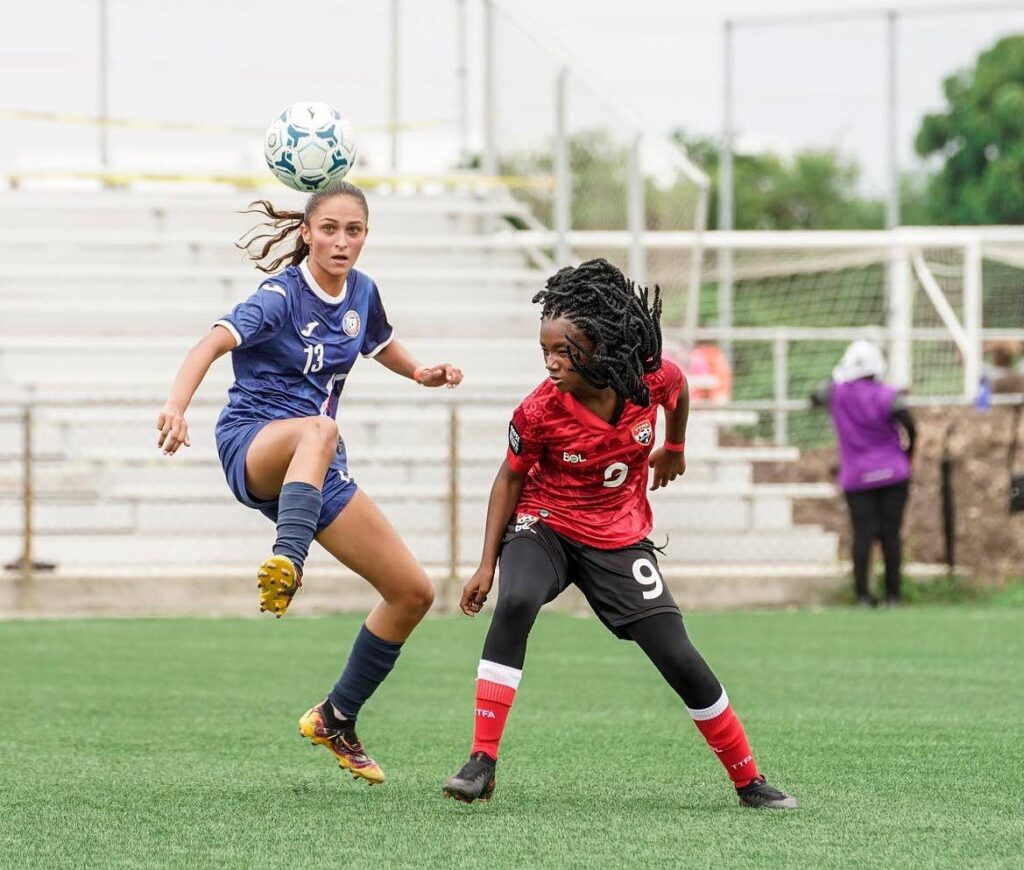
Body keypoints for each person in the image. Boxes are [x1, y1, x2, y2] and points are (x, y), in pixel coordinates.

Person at [440, 258, 797, 810]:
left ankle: (749, 780)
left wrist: (674, 448)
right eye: (545, 352)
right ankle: (481, 761)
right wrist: (487, 563)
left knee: (677, 654)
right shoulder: (537, 411)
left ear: (602, 348)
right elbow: (510, 477)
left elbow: (678, 395)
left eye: (564, 352)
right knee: (515, 601)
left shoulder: (653, 378)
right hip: (547, 524)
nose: (552, 364)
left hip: (619, 534)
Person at [156, 182, 463, 784]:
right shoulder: (280, 297)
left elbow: (379, 342)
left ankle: (336, 717)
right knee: (321, 429)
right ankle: (287, 562)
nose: (341, 241)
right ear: (306, 232)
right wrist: (175, 406)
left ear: (366, 236)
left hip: (316, 464)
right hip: (254, 444)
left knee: (413, 592)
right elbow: (210, 343)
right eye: (329, 229)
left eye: (353, 231)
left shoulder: (363, 292)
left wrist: (420, 372)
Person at [812, 340, 915, 607]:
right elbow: (910, 425)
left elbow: (814, 397)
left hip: (857, 476)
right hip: (894, 472)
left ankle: (862, 596)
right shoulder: (888, 394)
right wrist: (908, 454)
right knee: (890, 535)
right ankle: (893, 596)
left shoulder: (837, 393)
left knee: (862, 535)